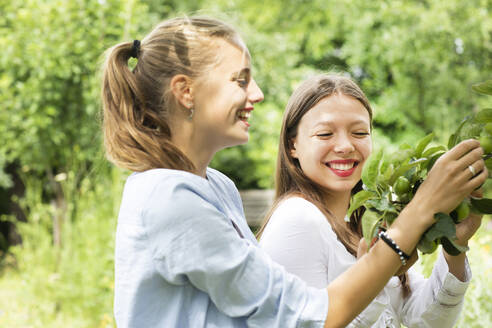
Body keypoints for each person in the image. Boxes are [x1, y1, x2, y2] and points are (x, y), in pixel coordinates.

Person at [100, 16, 487, 327]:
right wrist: (419, 212)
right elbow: (307, 318)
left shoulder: (215, 186)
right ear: (186, 92)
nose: (257, 94)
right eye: (240, 80)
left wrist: (412, 252)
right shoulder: (170, 200)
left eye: (359, 132)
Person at [257, 73, 486, 327]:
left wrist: (455, 248)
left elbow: (426, 321)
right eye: (324, 134)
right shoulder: (297, 219)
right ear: (293, 146)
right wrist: (378, 269)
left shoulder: (367, 221)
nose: (345, 145)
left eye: (359, 132)